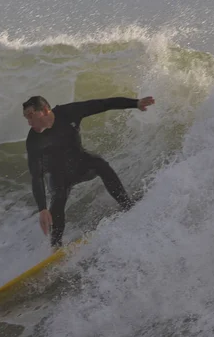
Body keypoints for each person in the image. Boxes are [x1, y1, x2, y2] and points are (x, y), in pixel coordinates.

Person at [22, 94, 155, 248]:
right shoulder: (33, 140)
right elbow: (36, 175)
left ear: (45, 110)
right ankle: (56, 247)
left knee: (101, 165)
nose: (29, 122)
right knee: (57, 201)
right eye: (26, 118)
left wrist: (135, 103)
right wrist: (42, 208)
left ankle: (127, 206)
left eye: (31, 116)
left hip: (80, 164)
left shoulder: (68, 112)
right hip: (57, 176)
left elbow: (103, 103)